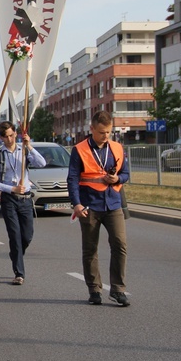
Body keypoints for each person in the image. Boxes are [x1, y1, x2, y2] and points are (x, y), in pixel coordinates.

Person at [68, 111, 131, 307]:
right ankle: (94, 289)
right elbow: (73, 179)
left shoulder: (117, 148)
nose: (106, 136)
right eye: (102, 132)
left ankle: (118, 289)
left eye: (109, 132)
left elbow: (126, 173)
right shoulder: (79, 150)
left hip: (113, 204)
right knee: (90, 249)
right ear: (92, 129)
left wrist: (118, 179)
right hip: (89, 206)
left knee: (120, 244)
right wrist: (77, 204)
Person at [0, 121, 46, 285]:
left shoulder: (24, 151)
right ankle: (19, 272)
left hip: (26, 199)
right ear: (1, 138)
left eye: (12, 135)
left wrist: (30, 147)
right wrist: (11, 189)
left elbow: (41, 163)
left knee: (27, 236)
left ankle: (16, 253)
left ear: (16, 134)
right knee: (14, 236)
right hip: (9, 200)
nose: (9, 139)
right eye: (5, 136)